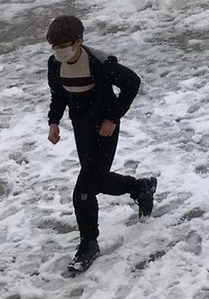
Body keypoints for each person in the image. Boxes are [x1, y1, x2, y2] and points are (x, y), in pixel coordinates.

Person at [45, 14, 157, 275]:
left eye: (64, 46)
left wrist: (112, 118)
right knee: (96, 180)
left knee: (83, 191)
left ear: (79, 41)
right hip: (81, 128)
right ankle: (140, 187)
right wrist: (54, 122)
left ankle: (89, 244)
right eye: (55, 47)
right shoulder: (55, 64)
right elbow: (58, 95)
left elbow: (132, 82)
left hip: (104, 129)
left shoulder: (100, 63)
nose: (59, 52)